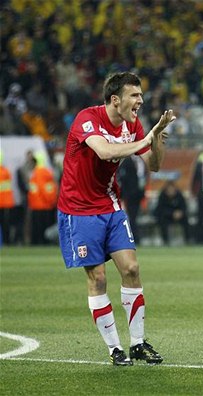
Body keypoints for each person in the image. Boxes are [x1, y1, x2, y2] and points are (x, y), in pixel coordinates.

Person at [57, 71, 176, 366]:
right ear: (115, 99)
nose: (140, 100)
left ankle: (137, 343)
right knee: (97, 277)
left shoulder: (132, 124)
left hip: (109, 205)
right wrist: (145, 138)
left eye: (141, 95)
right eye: (134, 95)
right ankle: (114, 348)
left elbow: (154, 165)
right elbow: (105, 150)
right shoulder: (87, 118)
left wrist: (157, 140)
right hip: (78, 209)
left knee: (132, 268)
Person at [117, 156, 147, 244]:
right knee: (129, 217)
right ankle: (132, 238)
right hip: (127, 195)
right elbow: (122, 177)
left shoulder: (141, 161)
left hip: (138, 195)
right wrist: (123, 192)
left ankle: (134, 238)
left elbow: (143, 177)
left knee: (134, 217)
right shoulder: (126, 161)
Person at [154, 179, 189, 245]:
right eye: (169, 189)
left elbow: (184, 207)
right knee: (162, 221)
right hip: (167, 216)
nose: (171, 191)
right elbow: (160, 209)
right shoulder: (162, 196)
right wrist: (172, 213)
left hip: (179, 216)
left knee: (185, 220)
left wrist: (180, 213)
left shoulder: (179, 195)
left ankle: (188, 240)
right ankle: (166, 241)